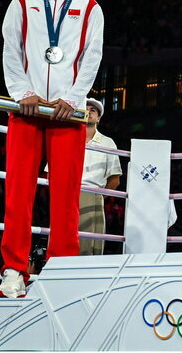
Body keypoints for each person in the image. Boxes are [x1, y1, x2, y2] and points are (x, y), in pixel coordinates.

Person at [0, 0, 105, 298]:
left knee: (66, 194)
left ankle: (61, 272)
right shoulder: (22, 3)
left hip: (67, 114)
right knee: (18, 192)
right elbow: (11, 50)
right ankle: (13, 271)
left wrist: (72, 100)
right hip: (26, 110)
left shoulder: (90, 9)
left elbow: (92, 58)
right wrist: (22, 93)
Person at [77, 98, 122, 255]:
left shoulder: (107, 142)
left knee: (89, 248)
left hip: (93, 193)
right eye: (85, 108)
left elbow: (115, 179)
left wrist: (97, 196)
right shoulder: (68, 138)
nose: (88, 111)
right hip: (67, 193)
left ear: (98, 118)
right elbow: (49, 172)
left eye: (93, 110)